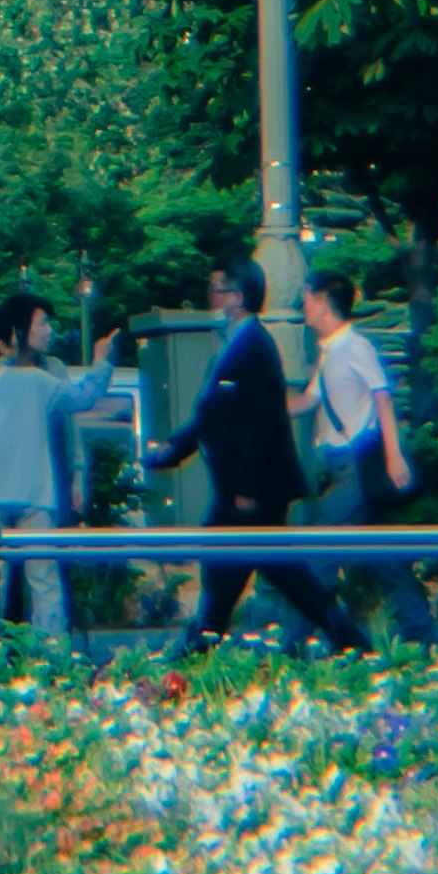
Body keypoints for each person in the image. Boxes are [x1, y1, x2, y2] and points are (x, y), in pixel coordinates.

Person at [157, 260, 364, 666]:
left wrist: (246, 486)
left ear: (237, 298)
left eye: (216, 289)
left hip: (251, 488)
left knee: (226, 562)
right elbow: (211, 414)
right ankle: (347, 638)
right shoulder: (233, 342)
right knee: (279, 570)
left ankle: (201, 645)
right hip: (243, 486)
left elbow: (261, 420)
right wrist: (173, 450)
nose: (209, 298)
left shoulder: (253, 345)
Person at [0, 295, 133, 637]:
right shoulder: (39, 380)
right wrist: (101, 361)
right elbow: (84, 397)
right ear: (6, 340)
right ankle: (49, 652)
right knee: (44, 581)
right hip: (36, 494)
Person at [300, 265, 437, 643]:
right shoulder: (329, 353)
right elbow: (306, 401)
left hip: (356, 468)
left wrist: (395, 457)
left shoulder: (353, 346)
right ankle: (422, 629)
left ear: (324, 304)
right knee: (381, 553)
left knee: (319, 552)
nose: (303, 306)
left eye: (308, 298)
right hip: (344, 466)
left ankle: (297, 641)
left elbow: (383, 398)